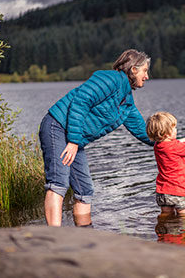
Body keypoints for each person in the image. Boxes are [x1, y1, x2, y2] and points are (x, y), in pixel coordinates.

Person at [39, 49, 154, 226]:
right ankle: (55, 238)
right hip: (58, 126)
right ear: (133, 69)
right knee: (59, 182)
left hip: (74, 138)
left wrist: (170, 142)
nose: (147, 76)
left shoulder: (127, 102)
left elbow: (144, 132)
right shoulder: (110, 79)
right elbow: (80, 102)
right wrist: (74, 141)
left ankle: (85, 234)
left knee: (84, 190)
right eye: (145, 71)